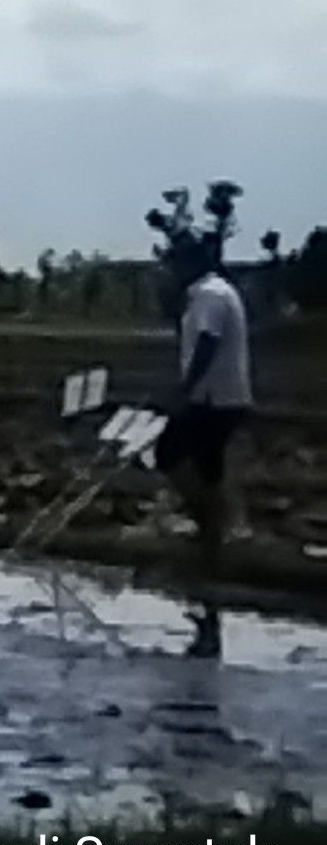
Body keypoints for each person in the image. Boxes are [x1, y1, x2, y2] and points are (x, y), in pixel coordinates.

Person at [159, 242, 254, 649]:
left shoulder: (209, 296)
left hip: (211, 399)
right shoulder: (214, 291)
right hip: (226, 397)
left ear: (190, 263)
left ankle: (212, 523)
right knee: (207, 465)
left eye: (173, 263)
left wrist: (186, 389)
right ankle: (214, 540)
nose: (170, 271)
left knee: (168, 453)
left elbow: (208, 343)